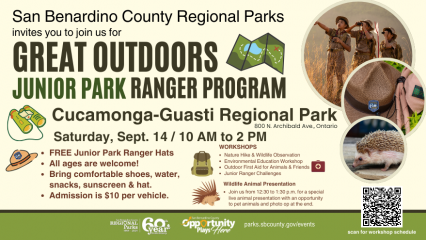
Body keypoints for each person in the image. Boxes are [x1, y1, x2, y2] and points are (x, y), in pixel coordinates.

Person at [314, 16, 351, 104]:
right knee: (329, 76)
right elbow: (325, 27)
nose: (339, 23)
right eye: (338, 22)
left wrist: (340, 41)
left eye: (341, 22)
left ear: (345, 25)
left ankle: (338, 96)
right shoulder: (333, 32)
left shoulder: (347, 36)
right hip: (330, 54)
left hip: (339, 55)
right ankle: (329, 95)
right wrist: (318, 23)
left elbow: (349, 49)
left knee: (339, 76)